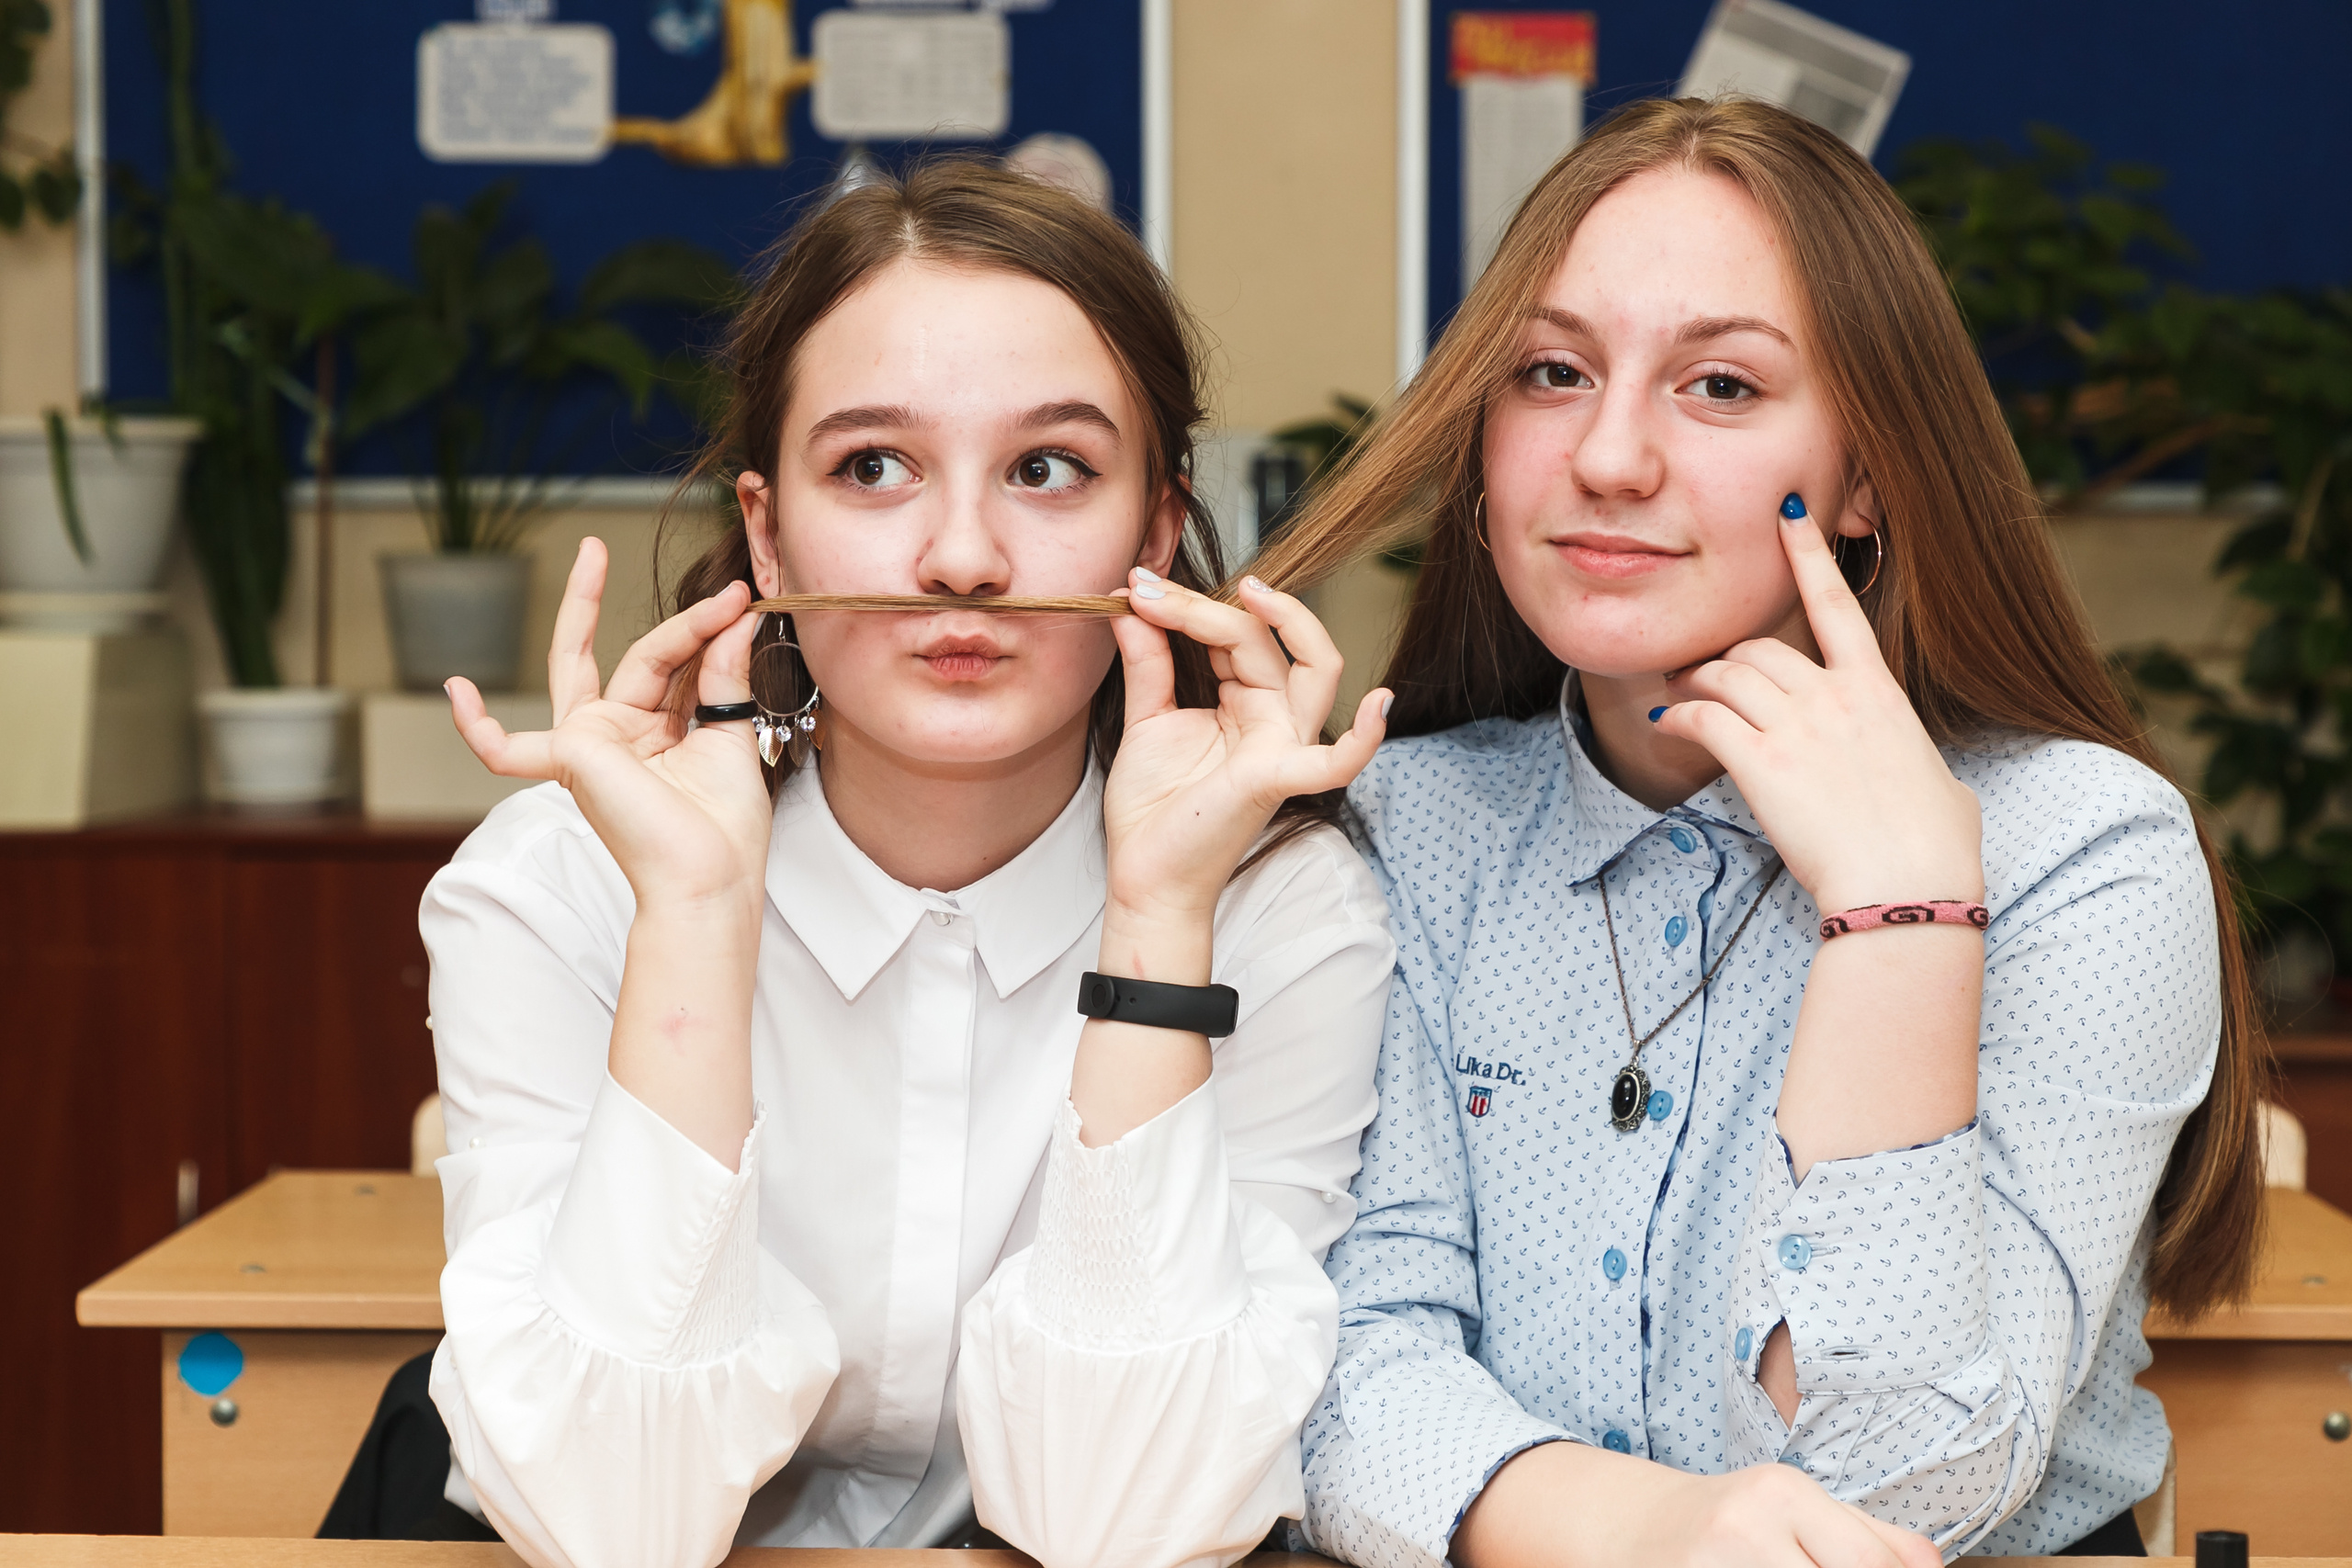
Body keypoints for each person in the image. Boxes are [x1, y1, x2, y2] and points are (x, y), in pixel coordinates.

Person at [1247, 97, 2266, 1566]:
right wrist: (1658, 1532)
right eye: (1551, 372)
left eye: (1720, 386)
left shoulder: (2082, 848)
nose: (1608, 456)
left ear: (1863, 474)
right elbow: (1346, 1373)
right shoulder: (1412, 821)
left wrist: (1902, 916)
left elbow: (1904, 1493)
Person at [417, 161, 1396, 1568]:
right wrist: (694, 911)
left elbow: (1127, 1525)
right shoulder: (554, 885)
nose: (961, 556)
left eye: (1048, 469)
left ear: (1156, 534)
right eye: (873, 467)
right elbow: (610, 1521)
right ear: (766, 530)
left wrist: (1159, 917)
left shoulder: (1276, 909)